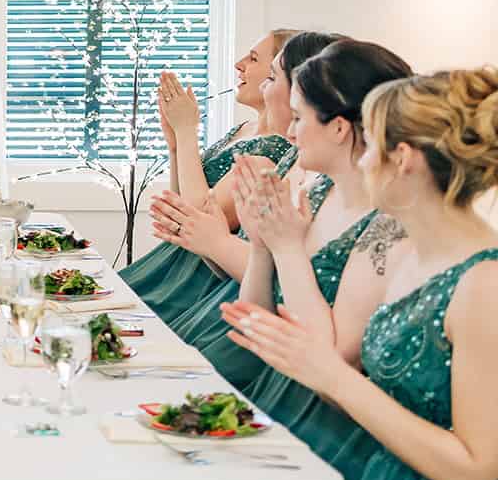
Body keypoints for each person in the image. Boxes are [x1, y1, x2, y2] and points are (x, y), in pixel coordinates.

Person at [226, 68, 498, 480]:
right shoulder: (404, 250)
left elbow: (477, 479)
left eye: (370, 145)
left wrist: (332, 376)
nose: (362, 159)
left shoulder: (484, 284)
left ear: (404, 160)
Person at [164, 38, 412, 390]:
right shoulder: (319, 192)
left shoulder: (388, 224)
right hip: (268, 368)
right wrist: (261, 246)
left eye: (298, 118)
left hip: (309, 391)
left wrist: (278, 247)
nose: (291, 133)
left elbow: (334, 360)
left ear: (339, 128)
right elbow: (255, 314)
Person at [117, 29, 299, 324]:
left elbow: (197, 215)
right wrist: (176, 145)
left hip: (196, 279)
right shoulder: (244, 130)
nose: (240, 64)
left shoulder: (271, 152)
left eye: (254, 59)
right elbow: (180, 203)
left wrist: (187, 131)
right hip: (173, 259)